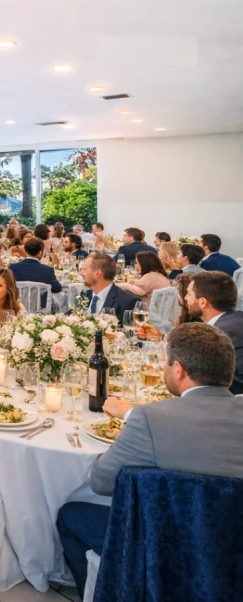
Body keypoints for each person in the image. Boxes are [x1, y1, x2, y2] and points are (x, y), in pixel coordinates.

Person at [55, 323, 243, 592]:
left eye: (165, 362)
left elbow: (101, 482)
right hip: (235, 550)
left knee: (71, 515)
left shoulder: (151, 417)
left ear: (178, 369)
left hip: (163, 548)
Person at [184, 272, 243, 394]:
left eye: (189, 294)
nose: (185, 298)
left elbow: (235, 384)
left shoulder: (226, 333)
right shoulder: (234, 320)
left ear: (202, 302)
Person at [80, 253, 139, 323]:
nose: (81, 273)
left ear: (97, 273)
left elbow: (130, 330)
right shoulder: (85, 295)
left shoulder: (127, 302)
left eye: (84, 269)